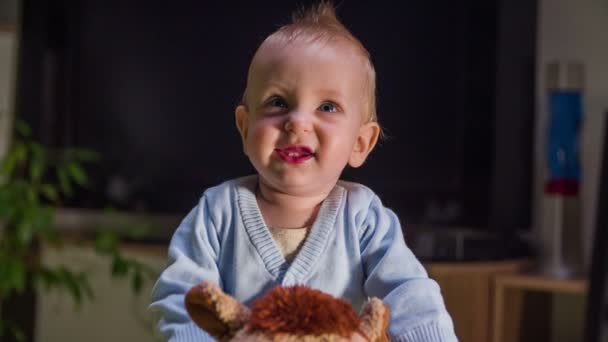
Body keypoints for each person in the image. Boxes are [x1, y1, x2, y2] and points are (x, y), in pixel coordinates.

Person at [150, 2, 458, 341]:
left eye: (327, 107)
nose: (296, 122)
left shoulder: (364, 217)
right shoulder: (216, 212)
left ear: (360, 142)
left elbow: (410, 294)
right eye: (278, 102)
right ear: (244, 126)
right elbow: (183, 298)